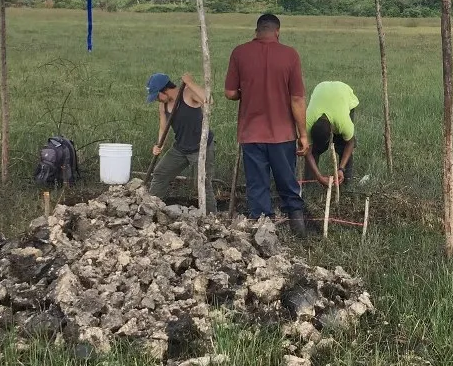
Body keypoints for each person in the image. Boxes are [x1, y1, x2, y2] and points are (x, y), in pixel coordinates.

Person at [224, 13, 309, 236]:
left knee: (257, 184)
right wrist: (303, 135)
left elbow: (230, 93)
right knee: (287, 181)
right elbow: (297, 99)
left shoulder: (239, 52)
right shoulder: (290, 55)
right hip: (282, 134)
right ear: (277, 31)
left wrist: (246, 92)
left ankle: (264, 231)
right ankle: (298, 227)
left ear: (257, 31)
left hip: (251, 133)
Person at [145, 71, 216, 213]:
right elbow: (163, 128)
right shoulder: (163, 106)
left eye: (157, 96)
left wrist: (189, 82)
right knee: (160, 173)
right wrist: (159, 145)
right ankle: (151, 209)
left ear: (164, 90)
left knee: (202, 183)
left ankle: (211, 217)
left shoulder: (188, 94)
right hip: (180, 149)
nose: (157, 100)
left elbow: (209, 100)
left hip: (200, 148)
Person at [303, 81, 358, 187]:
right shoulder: (307, 122)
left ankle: (346, 181)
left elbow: (350, 143)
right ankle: (309, 184)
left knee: (343, 144)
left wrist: (341, 168)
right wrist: (319, 177)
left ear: (332, 132)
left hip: (343, 92)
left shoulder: (342, 122)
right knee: (314, 149)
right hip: (321, 88)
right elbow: (307, 150)